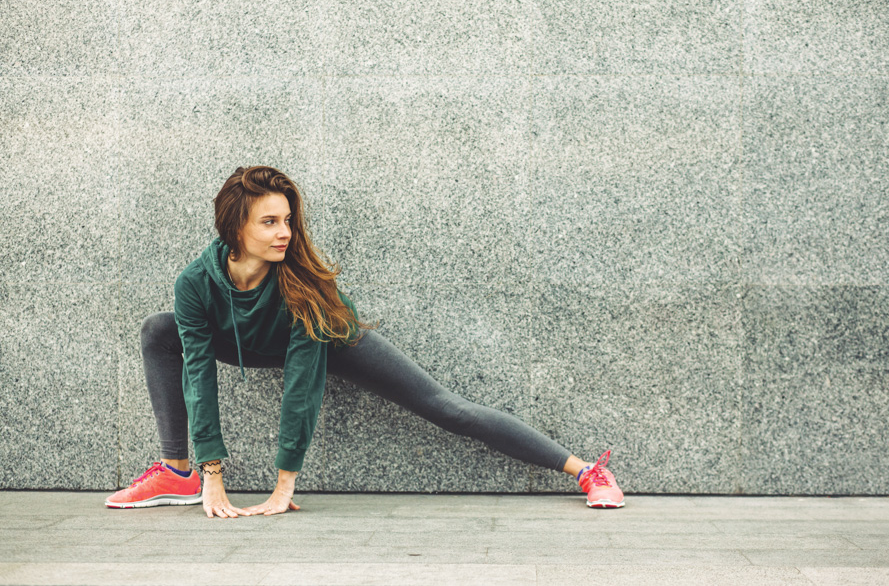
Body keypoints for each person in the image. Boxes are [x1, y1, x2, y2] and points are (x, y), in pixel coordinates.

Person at [106, 166, 624, 517]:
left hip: (332, 341)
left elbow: (302, 387)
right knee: (159, 328)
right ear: (234, 229)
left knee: (447, 407)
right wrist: (210, 471)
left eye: (287, 220)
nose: (284, 232)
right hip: (241, 337)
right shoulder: (196, 283)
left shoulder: (303, 284)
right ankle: (176, 472)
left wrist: (285, 482)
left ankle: (586, 472)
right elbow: (198, 373)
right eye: (269, 222)